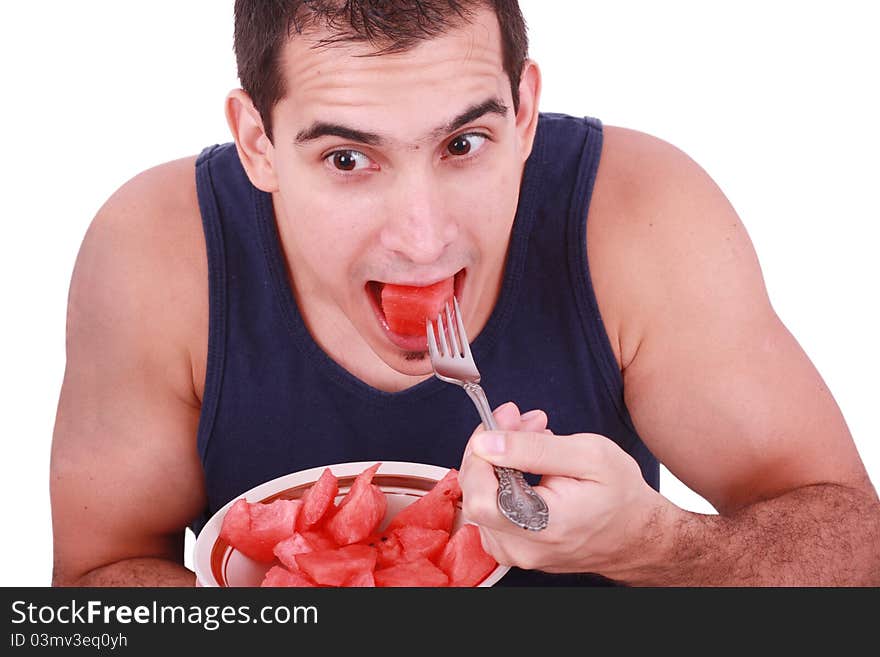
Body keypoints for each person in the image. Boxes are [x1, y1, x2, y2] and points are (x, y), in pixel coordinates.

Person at [50, 0, 879, 587]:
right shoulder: (156, 253)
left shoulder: (642, 220)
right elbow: (91, 591)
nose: (422, 237)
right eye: (348, 158)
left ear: (523, 113)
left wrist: (653, 544)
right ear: (257, 143)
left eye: (465, 142)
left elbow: (858, 547)